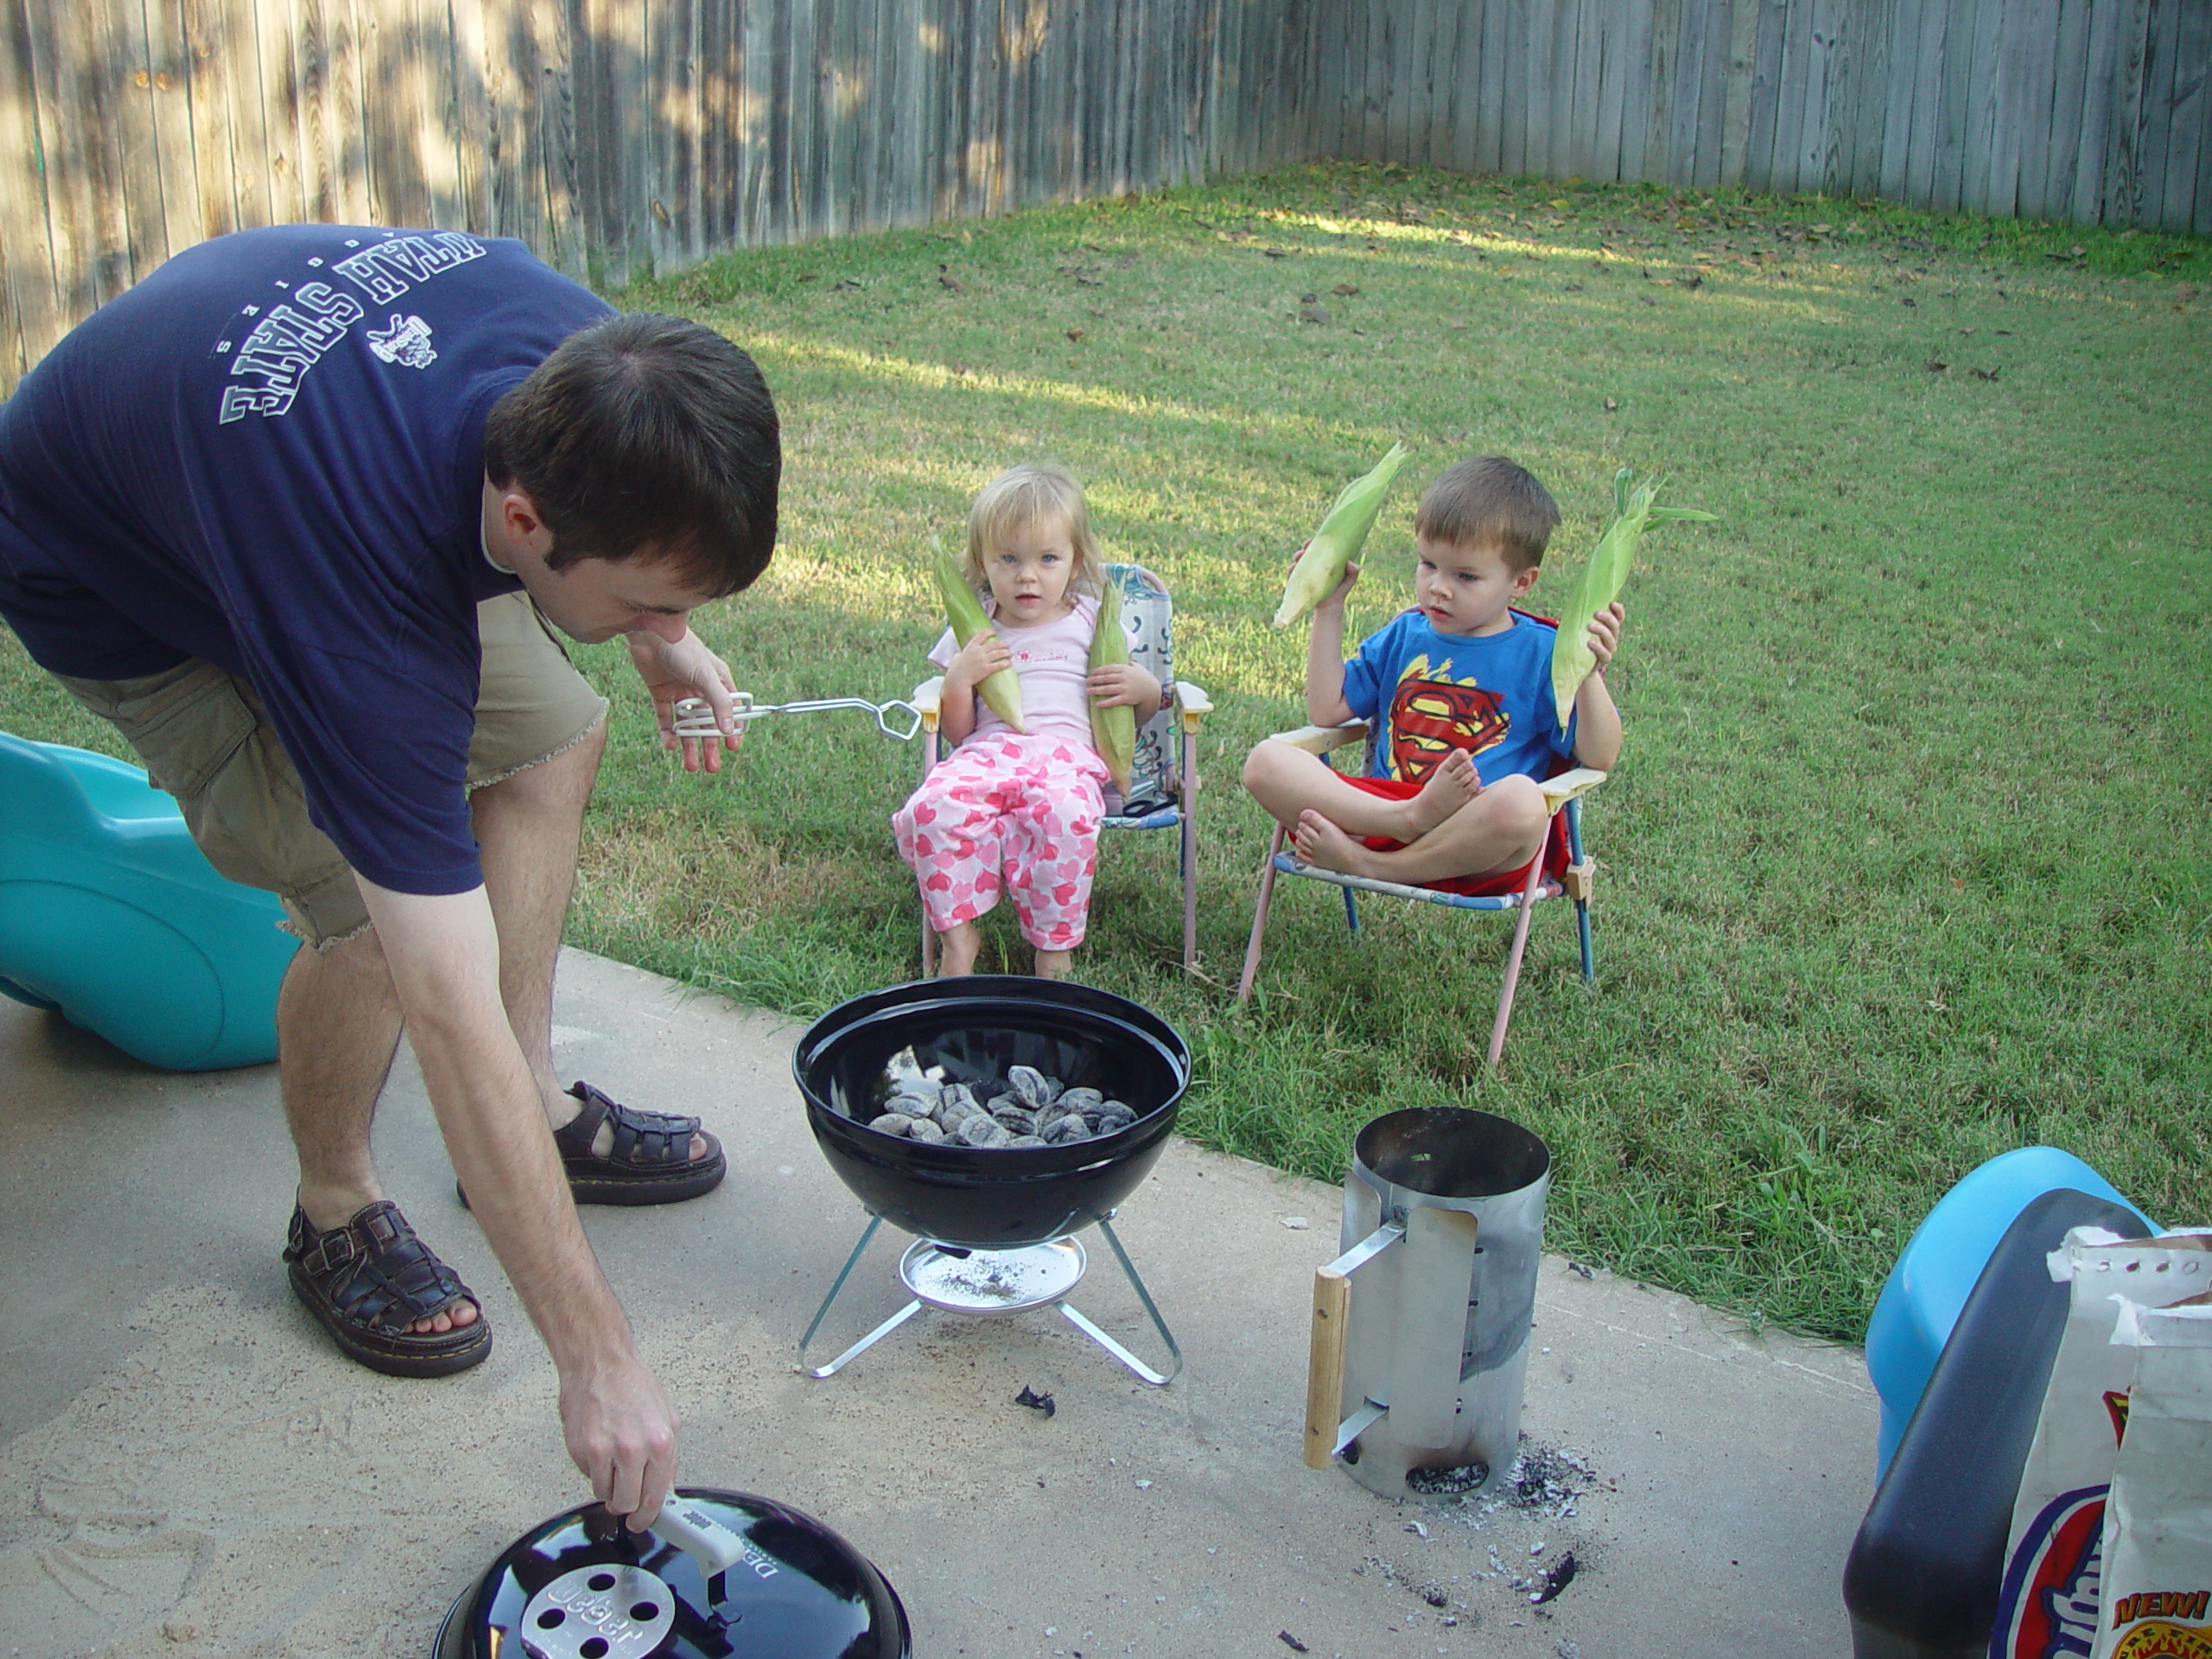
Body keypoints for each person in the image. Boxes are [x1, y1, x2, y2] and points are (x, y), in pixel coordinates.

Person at [0, 223, 780, 1529]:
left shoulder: (595, 369)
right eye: (643, 601)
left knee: (552, 740)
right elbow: (443, 993)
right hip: (117, 567)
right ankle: (335, 1204)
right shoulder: (363, 612)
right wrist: (595, 1357)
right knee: (370, 912)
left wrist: (659, 630)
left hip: (258, 464)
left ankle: (524, 1122)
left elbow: (635, 533)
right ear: (525, 521)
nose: (664, 624)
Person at [1241, 454, 1623, 892]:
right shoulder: (1406, 633)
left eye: (1465, 576)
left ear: (1521, 583)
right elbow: (1328, 710)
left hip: (1475, 841)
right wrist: (1329, 607)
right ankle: (1405, 821)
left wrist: (1590, 673)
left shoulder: (1543, 653)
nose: (1438, 587)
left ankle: (1369, 867)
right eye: (1428, 564)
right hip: (1380, 817)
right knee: (1265, 761)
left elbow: (1599, 757)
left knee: (1522, 801)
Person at [893, 462, 1160, 978]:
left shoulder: (1090, 620)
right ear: (982, 562)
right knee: (933, 808)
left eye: (1047, 558)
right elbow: (956, 732)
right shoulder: (977, 626)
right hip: (986, 753)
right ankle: (958, 936)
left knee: (1066, 817)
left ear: (1076, 560)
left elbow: (1129, 713)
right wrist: (958, 679)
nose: (1027, 575)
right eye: (1009, 559)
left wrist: (1143, 690)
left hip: (1066, 758)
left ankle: (1053, 946)